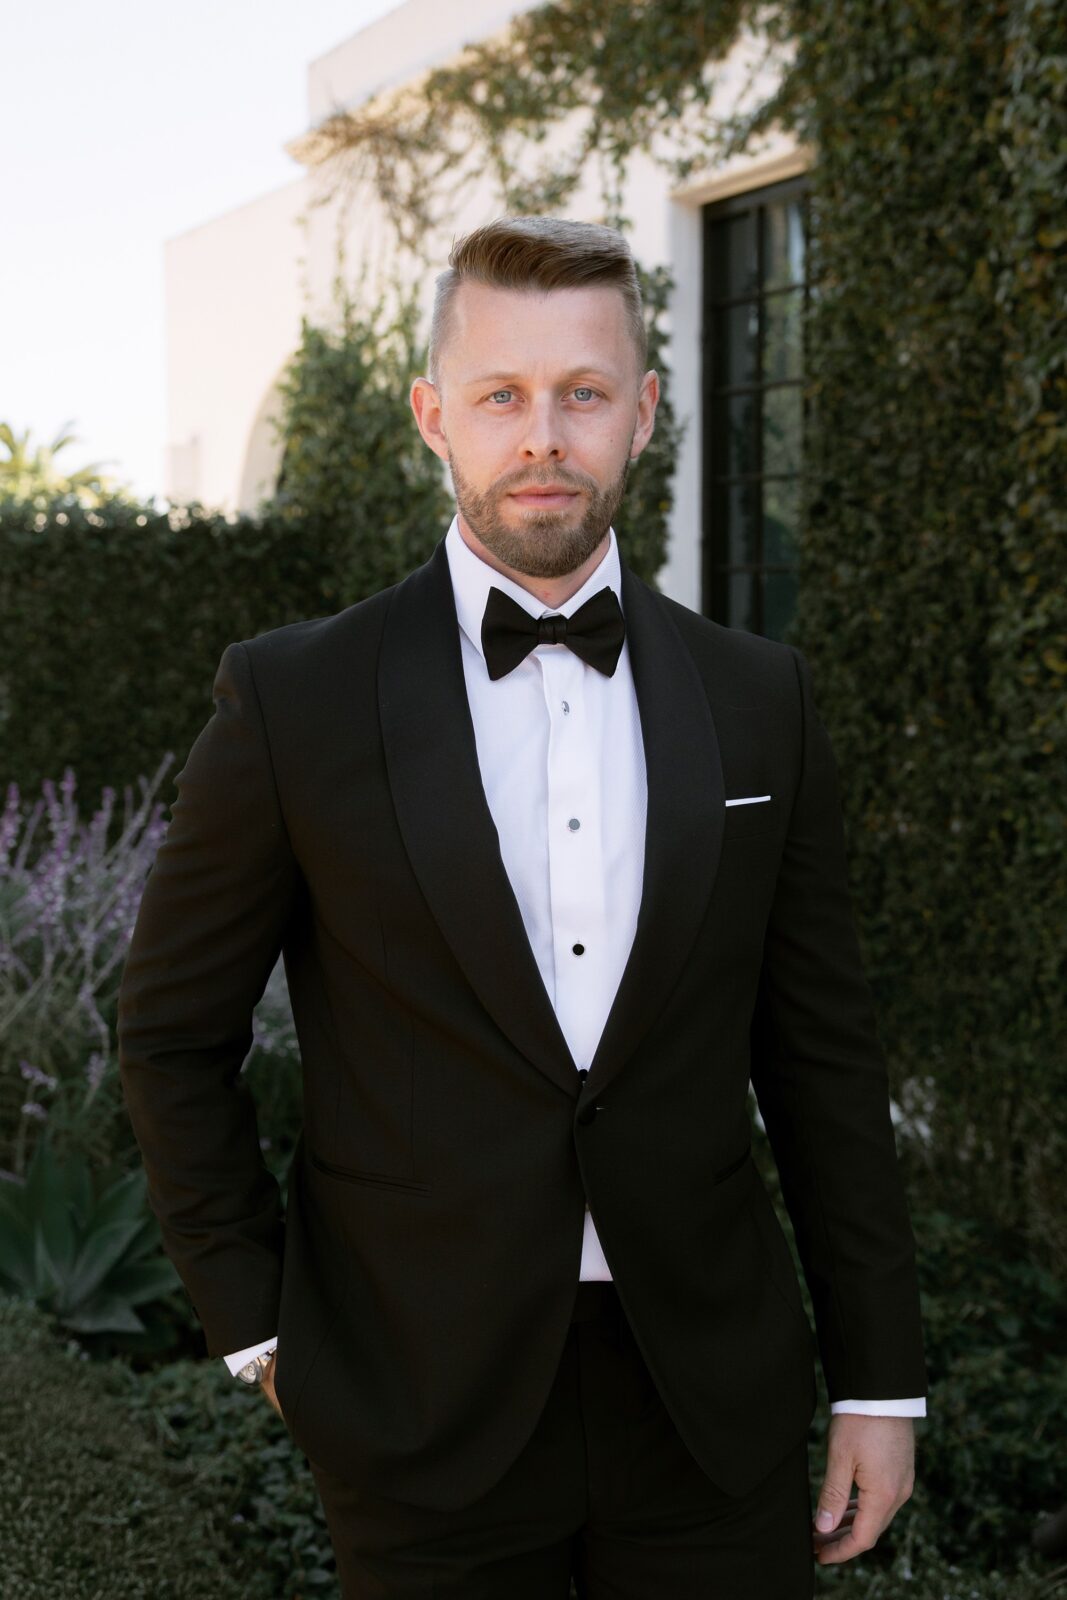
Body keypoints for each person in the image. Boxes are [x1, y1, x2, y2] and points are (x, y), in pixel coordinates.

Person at [118, 216, 927, 1598]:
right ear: (436, 415)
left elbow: (824, 1063)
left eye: (584, 393)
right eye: (502, 394)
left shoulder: (759, 700)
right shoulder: (295, 699)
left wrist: (882, 1382)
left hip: (708, 1408)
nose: (542, 435)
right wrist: (260, 1327)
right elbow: (170, 1031)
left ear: (644, 413)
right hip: (416, 1409)